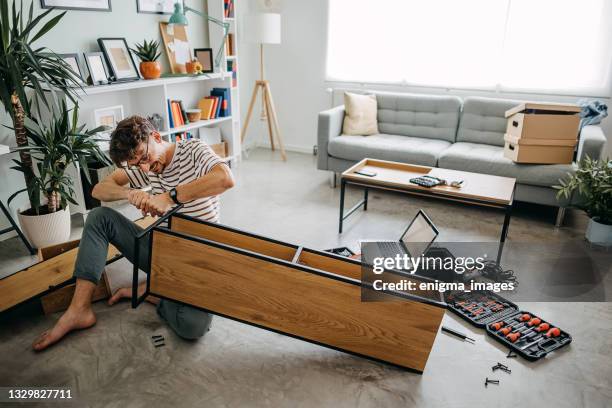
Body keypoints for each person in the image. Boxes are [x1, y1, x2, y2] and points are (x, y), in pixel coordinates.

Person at [32, 116, 234, 351]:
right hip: (164, 254)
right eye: (137, 164)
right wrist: (129, 194)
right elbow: (99, 189)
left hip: (201, 260)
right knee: (99, 218)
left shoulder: (193, 149)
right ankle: (79, 310)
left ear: (156, 137)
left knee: (192, 326)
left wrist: (170, 197)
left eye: (145, 157)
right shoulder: (144, 167)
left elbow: (226, 178)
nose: (145, 167)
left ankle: (154, 291)